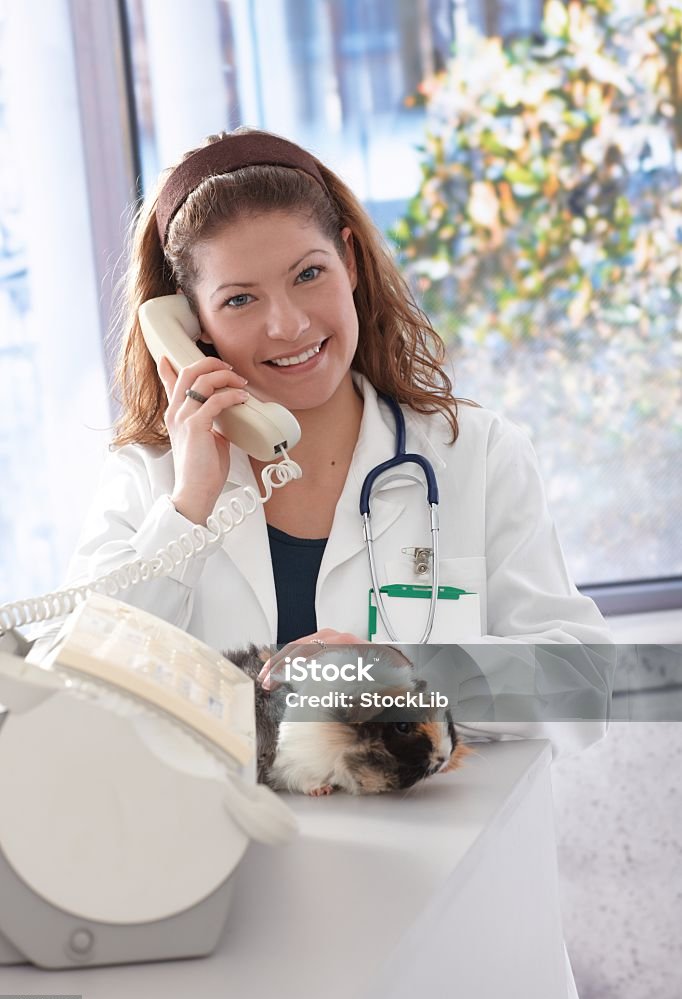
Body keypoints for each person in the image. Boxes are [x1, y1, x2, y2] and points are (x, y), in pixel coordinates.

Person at [64, 126, 613, 757]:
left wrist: (397, 675)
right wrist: (189, 509)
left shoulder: (476, 453)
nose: (288, 324)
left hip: (443, 857)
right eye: (239, 299)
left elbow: (586, 690)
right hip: (228, 855)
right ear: (190, 325)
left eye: (308, 274)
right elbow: (76, 691)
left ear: (349, 260)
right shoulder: (151, 479)